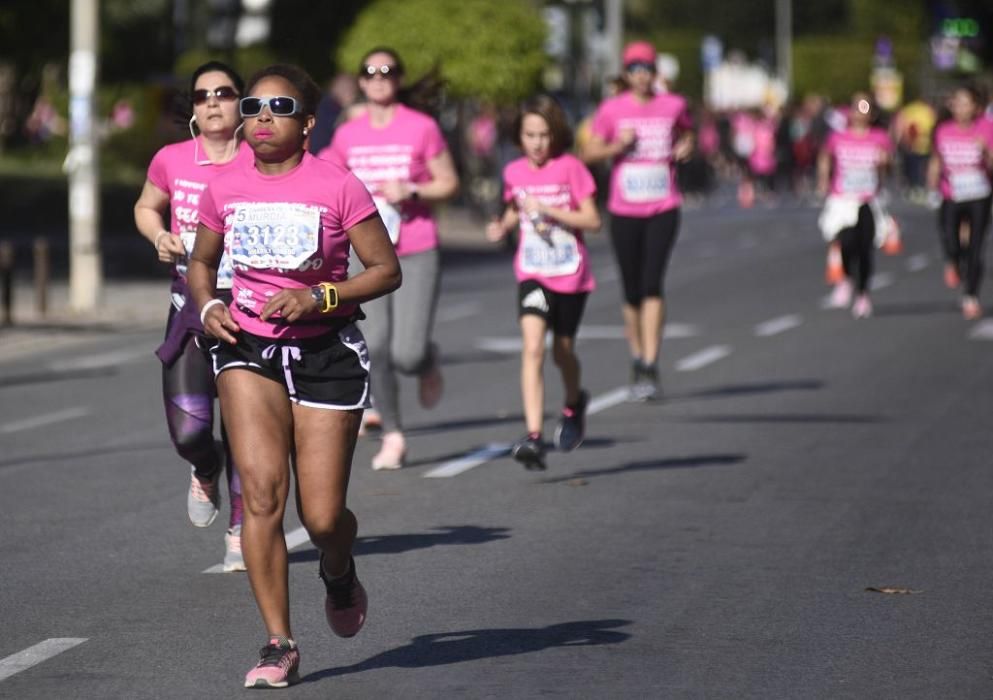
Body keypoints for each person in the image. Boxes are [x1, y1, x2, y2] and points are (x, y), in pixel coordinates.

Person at [188, 63, 401, 688]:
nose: (260, 117)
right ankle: (279, 641)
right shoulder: (223, 186)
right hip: (247, 349)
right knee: (259, 495)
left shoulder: (338, 186)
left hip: (326, 352)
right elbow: (202, 262)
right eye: (252, 106)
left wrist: (322, 298)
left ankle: (338, 569)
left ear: (307, 123)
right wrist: (209, 306)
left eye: (278, 107)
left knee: (325, 516)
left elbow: (385, 269)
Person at [133, 60, 252, 571]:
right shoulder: (171, 159)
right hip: (190, 304)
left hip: (252, 308)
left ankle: (242, 530)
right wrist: (159, 235)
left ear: (241, 102)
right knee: (189, 430)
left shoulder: (260, 160)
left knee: (250, 431)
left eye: (223, 92)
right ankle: (205, 466)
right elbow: (146, 206)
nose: (212, 102)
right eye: (202, 95)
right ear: (193, 107)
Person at [318, 47, 459, 470]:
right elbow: (325, 181)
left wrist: (413, 191)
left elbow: (449, 181)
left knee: (407, 354)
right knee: (375, 345)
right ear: (360, 81)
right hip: (366, 254)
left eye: (387, 71)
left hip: (415, 248)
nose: (379, 78)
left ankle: (427, 358)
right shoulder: (347, 135)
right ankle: (395, 435)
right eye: (370, 72)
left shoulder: (422, 127)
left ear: (398, 79)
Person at [485, 95, 600, 470]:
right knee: (532, 347)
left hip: (570, 274)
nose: (537, 142)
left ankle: (573, 403)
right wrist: (502, 225)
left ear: (556, 135)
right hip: (532, 272)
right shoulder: (514, 171)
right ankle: (533, 435)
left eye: (544, 134)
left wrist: (549, 209)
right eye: (530, 135)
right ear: (519, 137)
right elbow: (514, 208)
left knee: (562, 352)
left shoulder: (571, 168)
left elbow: (593, 220)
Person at [581, 41, 693, 401]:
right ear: (627, 74)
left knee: (651, 283)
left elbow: (687, 132)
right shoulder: (612, 110)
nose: (642, 75)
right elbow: (588, 152)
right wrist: (617, 147)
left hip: (663, 205)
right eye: (635, 69)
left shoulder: (673, 105)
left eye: (647, 68)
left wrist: (686, 146)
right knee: (631, 290)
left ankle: (650, 362)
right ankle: (635, 355)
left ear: (655, 72)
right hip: (624, 208)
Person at [816, 93, 893, 319]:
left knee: (865, 247)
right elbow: (825, 157)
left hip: (868, 199)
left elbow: (887, 169)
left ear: (872, 113)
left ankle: (863, 294)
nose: (860, 111)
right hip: (843, 199)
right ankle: (848, 278)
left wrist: (884, 164)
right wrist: (823, 180)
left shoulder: (879, 137)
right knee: (846, 242)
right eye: (856, 107)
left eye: (865, 107)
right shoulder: (838, 137)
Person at [927, 85, 993, 320]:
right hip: (951, 194)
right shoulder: (943, 130)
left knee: (976, 246)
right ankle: (954, 262)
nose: (962, 108)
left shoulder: (986, 128)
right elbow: (936, 160)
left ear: (975, 106)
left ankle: (971, 296)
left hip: (979, 195)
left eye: (967, 103)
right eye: (958, 102)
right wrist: (932, 187)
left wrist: (985, 152)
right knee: (951, 242)